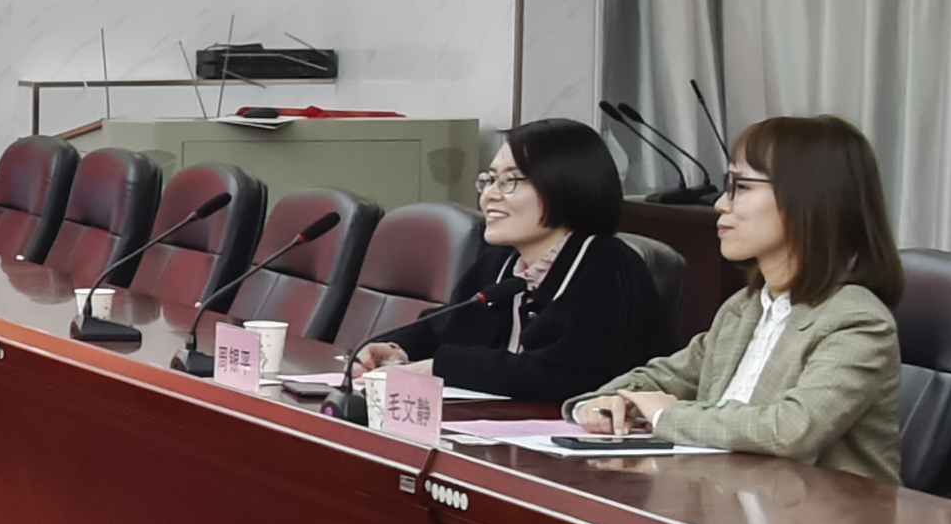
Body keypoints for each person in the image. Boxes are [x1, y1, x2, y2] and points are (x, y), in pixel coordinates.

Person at [570, 114, 909, 480]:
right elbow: (667, 377)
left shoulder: (856, 319)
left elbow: (791, 430)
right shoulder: (745, 308)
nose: (720, 204)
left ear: (806, 198)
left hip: (821, 512)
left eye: (741, 187)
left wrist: (665, 415)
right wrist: (608, 402)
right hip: (732, 495)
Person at [353, 118, 677, 405]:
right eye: (490, 180)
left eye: (510, 181)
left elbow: (571, 379)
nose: (489, 195)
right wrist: (397, 350)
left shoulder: (608, 269)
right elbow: (441, 329)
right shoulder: (500, 262)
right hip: (493, 428)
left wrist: (442, 367)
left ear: (565, 185)